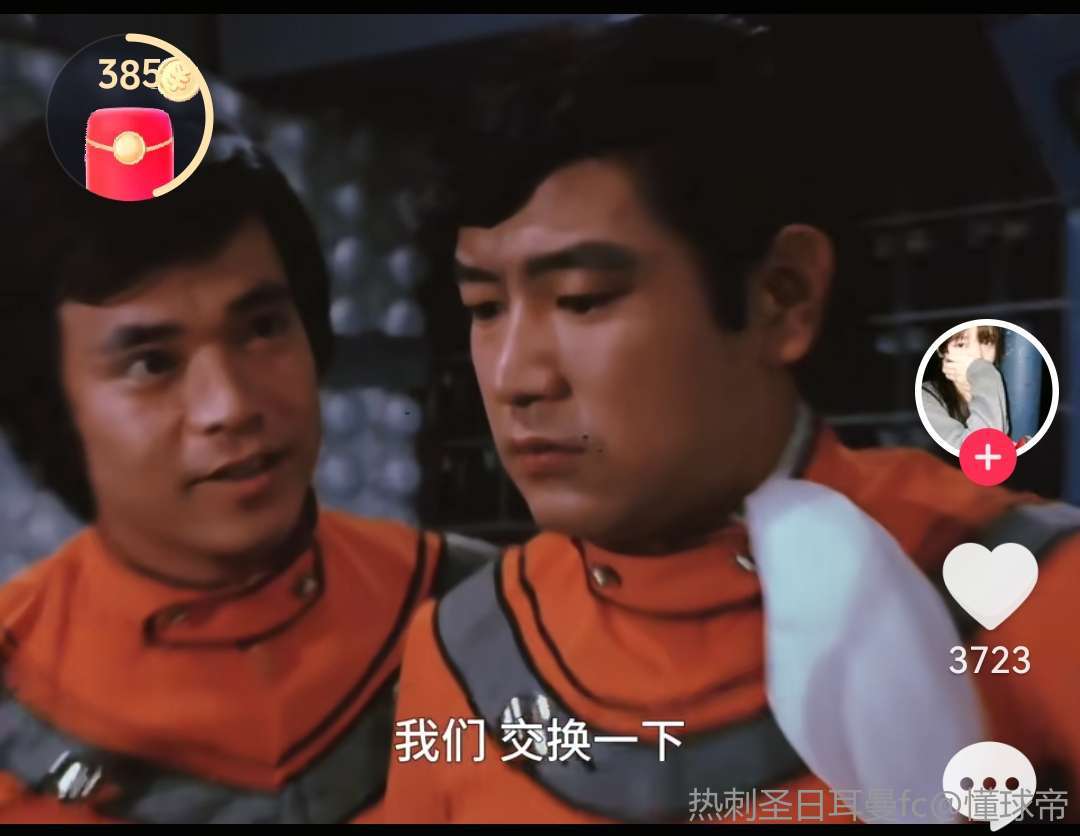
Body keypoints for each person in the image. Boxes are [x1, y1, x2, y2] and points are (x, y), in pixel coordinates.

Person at [383, 15, 1080, 824]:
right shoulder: (460, 651)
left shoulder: (1027, 587)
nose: (514, 379)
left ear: (782, 297)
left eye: (581, 300)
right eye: (484, 308)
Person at [0, 121, 496, 823]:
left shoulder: (493, 613)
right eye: (152, 363)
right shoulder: (17, 688)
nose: (229, 406)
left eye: (262, 328)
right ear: (50, 404)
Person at [922, 325, 1009, 446]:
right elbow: (981, 448)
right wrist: (983, 372)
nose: (978, 356)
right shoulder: (924, 398)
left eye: (986, 342)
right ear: (941, 350)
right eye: (961, 344)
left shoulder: (1004, 390)